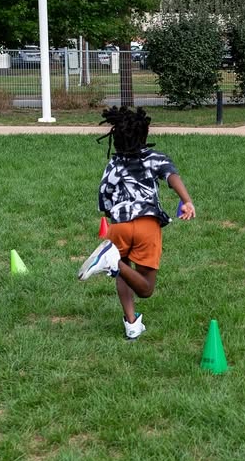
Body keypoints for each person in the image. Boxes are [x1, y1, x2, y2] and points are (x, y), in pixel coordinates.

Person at [78, 106, 196, 340]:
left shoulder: (114, 164)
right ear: (144, 134)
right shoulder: (155, 158)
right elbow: (171, 176)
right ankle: (111, 261)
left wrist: (115, 216)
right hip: (146, 225)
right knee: (146, 289)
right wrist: (186, 201)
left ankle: (132, 323)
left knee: (122, 271)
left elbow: (104, 195)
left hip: (118, 225)